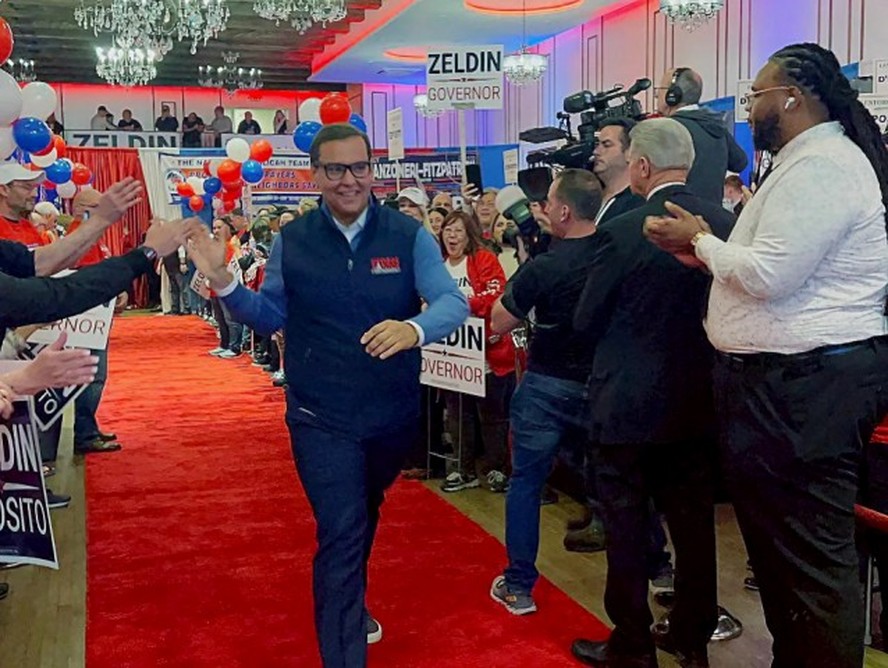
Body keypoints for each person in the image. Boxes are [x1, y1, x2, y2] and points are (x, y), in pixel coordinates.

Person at [185, 122, 467, 668]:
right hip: (319, 415)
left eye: (359, 167)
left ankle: (349, 598)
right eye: (335, 169)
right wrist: (224, 284)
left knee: (364, 506)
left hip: (392, 415)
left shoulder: (408, 236)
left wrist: (414, 329)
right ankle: (343, 644)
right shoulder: (294, 239)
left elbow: (450, 303)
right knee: (341, 528)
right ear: (315, 174)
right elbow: (270, 315)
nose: (348, 180)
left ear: (372, 169)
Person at [645, 43, 888, 668]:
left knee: (808, 561)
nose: (749, 106)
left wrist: (698, 238)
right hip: (777, 387)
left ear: (791, 98)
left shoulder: (826, 166)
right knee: (779, 557)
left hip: (806, 388)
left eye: (756, 93)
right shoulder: (800, 163)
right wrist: (707, 255)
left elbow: (769, 275)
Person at [569, 118, 735, 668]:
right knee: (693, 527)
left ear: (640, 167)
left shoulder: (623, 229)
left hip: (627, 406)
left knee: (625, 526)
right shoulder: (726, 224)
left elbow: (587, 318)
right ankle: (692, 635)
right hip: (699, 403)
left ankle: (633, 644)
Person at [486, 169, 606, 616]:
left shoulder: (545, 265)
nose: (541, 208)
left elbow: (500, 321)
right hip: (600, 384)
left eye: (548, 201)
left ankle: (518, 585)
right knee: (620, 484)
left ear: (563, 210)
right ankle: (660, 570)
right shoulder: (614, 252)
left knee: (527, 482)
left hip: (547, 384)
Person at [438, 210, 515, 494]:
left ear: (468, 234)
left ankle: (497, 469)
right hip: (451, 357)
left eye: (457, 231)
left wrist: (461, 304)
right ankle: (463, 469)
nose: (452, 236)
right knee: (458, 415)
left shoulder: (484, 259)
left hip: (487, 354)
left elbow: (496, 293)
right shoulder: (439, 264)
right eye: (447, 230)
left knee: (492, 415)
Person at [656, 67, 749, 203]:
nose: (657, 95)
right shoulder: (715, 126)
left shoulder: (666, 129)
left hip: (677, 216)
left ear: (673, 95)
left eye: (660, 89)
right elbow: (740, 162)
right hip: (713, 216)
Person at [592, 118, 645, 224]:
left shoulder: (637, 204)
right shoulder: (590, 197)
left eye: (606, 145)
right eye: (597, 145)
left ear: (629, 152)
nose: (596, 152)